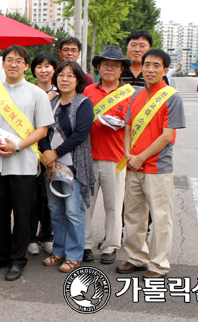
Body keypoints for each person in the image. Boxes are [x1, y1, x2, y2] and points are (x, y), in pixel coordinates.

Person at [0, 45, 54, 281]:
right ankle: (1, 255)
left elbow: (42, 130)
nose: (13, 64)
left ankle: (18, 259)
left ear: (25, 66)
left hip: (24, 162)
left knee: (22, 214)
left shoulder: (36, 94)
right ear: (2, 64)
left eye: (19, 61)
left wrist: (18, 146)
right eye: (9, 60)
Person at [116, 49, 186, 278]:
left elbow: (167, 136)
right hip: (133, 165)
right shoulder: (136, 95)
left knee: (161, 217)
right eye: (147, 65)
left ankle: (158, 265)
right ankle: (136, 257)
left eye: (156, 66)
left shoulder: (172, 96)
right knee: (134, 216)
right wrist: (128, 154)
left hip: (157, 167)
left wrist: (140, 157)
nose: (150, 69)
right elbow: (127, 127)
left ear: (165, 70)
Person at [82, 46, 137, 264]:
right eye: (105, 64)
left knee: (114, 205)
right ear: (98, 67)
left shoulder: (132, 94)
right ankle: (85, 244)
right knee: (86, 204)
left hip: (116, 159)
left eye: (115, 65)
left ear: (121, 69)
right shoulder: (88, 92)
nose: (109, 69)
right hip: (88, 156)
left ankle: (110, 246)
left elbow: (135, 127)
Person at [40, 61, 95, 273]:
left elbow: (80, 134)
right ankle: (59, 250)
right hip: (52, 166)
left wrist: (55, 153)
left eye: (70, 76)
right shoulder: (51, 103)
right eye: (61, 75)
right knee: (55, 210)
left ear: (78, 80)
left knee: (73, 211)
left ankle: (74, 255)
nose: (65, 79)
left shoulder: (84, 103)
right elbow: (42, 129)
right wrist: (47, 154)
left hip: (74, 166)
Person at [26, 52, 58, 256]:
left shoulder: (62, 91)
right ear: (33, 70)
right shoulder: (28, 92)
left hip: (55, 152)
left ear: (54, 69)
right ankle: (29, 237)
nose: (44, 70)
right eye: (39, 66)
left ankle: (46, 235)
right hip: (30, 151)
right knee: (31, 197)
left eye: (48, 66)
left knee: (50, 198)